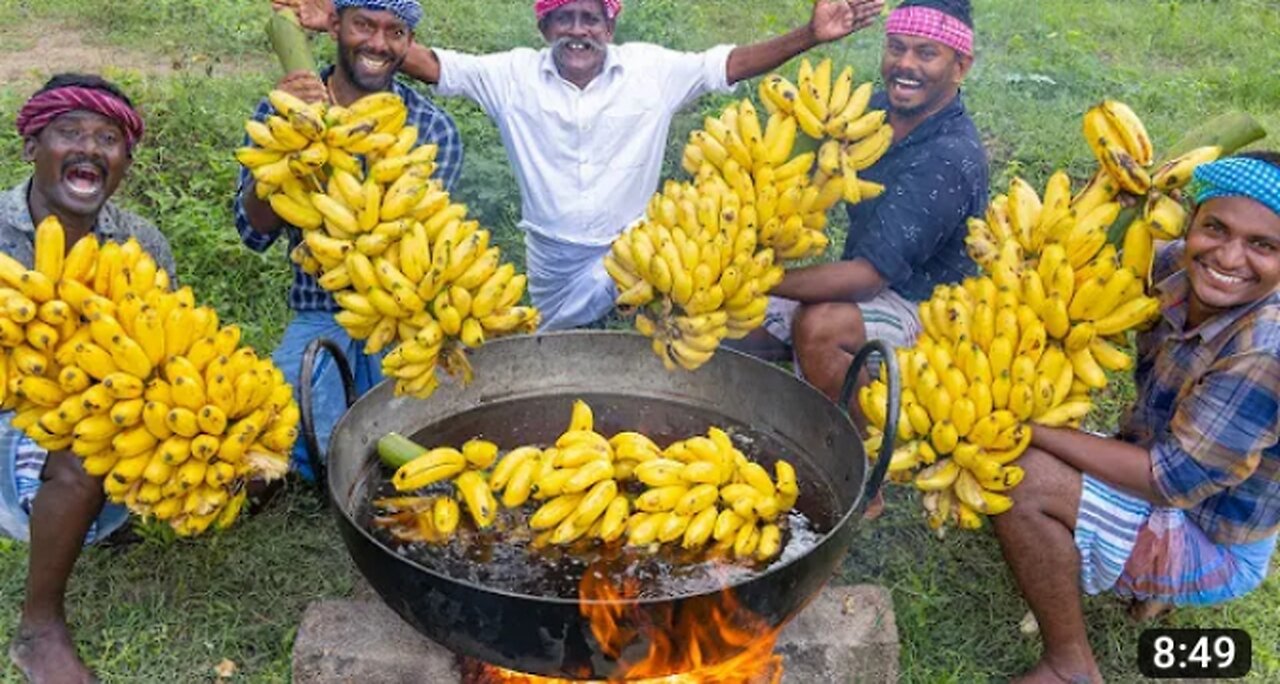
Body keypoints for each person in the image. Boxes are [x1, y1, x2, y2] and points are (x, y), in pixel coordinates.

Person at [273, 0, 886, 330]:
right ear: (545, 25)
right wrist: (347, 28)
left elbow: (727, 64)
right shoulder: (510, 75)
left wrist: (809, 33)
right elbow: (431, 64)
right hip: (551, 262)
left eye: (589, 17)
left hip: (642, 254)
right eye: (563, 18)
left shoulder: (652, 69)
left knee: (647, 350)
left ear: (608, 25)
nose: (577, 30)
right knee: (544, 348)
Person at [994, 153, 1280, 684]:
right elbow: (1070, 277)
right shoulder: (1171, 265)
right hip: (1167, 460)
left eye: (1264, 245)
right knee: (1029, 452)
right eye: (1215, 227)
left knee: (1019, 473)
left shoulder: (1265, 350)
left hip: (1212, 535)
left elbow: (1166, 480)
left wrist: (1031, 427)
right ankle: (1140, 582)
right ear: (1188, 223)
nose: (1229, 256)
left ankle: (1069, 666)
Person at [236, 0, 463, 479]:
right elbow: (253, 230)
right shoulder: (282, 108)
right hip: (321, 306)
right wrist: (287, 143)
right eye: (364, 25)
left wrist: (337, 146)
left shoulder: (433, 128)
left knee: (426, 427)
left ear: (407, 43)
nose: (378, 43)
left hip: (399, 306)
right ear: (336, 26)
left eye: (395, 32)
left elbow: (409, 238)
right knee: (289, 441)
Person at [1, 74, 175, 684]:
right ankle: (38, 630)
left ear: (125, 161)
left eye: (108, 138)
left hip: (112, 410)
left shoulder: (140, 244)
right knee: (82, 441)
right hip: (16, 421)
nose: (90, 148)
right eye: (68, 132)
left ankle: (106, 522)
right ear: (32, 145)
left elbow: (169, 348)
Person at [741, 0, 988, 404]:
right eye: (896, 47)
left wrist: (757, 281)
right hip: (863, 282)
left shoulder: (949, 158)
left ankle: (857, 452)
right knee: (726, 319)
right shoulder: (870, 115)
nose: (905, 64)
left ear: (960, 67)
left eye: (926, 53)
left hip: (925, 309)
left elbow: (869, 278)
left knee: (819, 325)